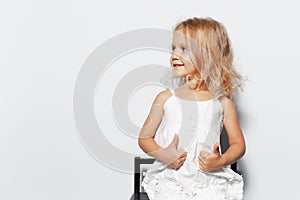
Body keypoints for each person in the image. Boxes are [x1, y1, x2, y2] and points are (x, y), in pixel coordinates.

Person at [138, 17, 246, 200]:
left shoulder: (222, 103)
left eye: (183, 49)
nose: (174, 55)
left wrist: (220, 161)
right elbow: (144, 138)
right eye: (173, 48)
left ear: (208, 55)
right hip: (171, 180)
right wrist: (164, 154)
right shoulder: (165, 99)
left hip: (209, 181)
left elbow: (238, 144)